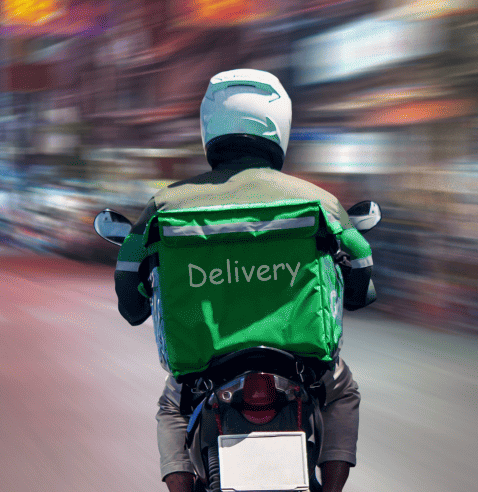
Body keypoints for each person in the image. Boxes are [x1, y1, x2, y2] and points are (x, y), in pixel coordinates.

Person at [113, 69, 373, 492]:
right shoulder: (316, 199)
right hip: (301, 365)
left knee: (172, 409)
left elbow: (129, 276)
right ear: (279, 128)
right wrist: (361, 293)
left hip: (204, 368)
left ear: (208, 130)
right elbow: (360, 261)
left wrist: (136, 304)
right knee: (342, 392)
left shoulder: (166, 203)